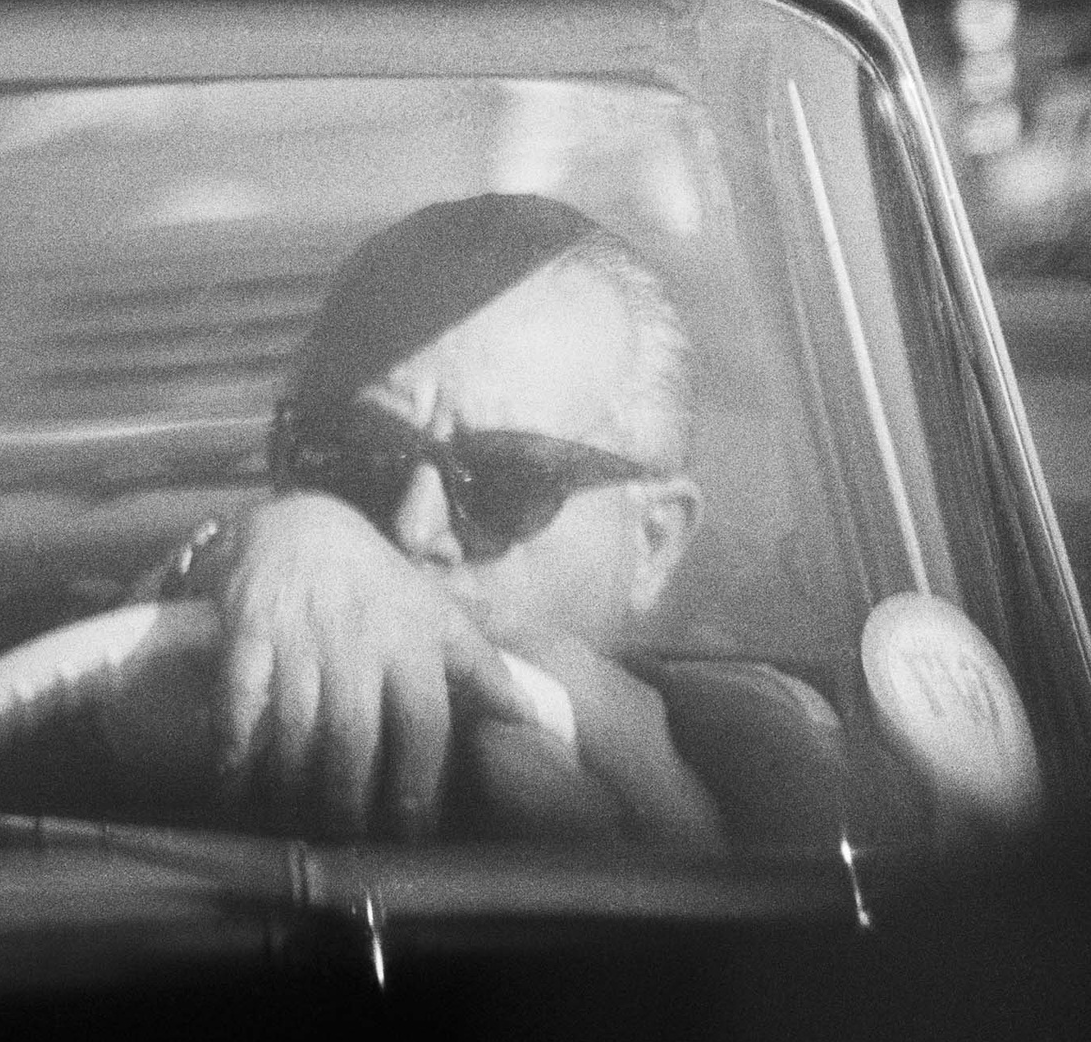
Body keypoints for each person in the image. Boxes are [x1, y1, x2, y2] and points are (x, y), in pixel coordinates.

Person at [141, 191, 725, 849]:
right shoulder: (198, 708)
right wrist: (210, 582)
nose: (413, 529)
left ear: (654, 542)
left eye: (508, 479)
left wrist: (669, 819)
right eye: (357, 459)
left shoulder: (776, 764)